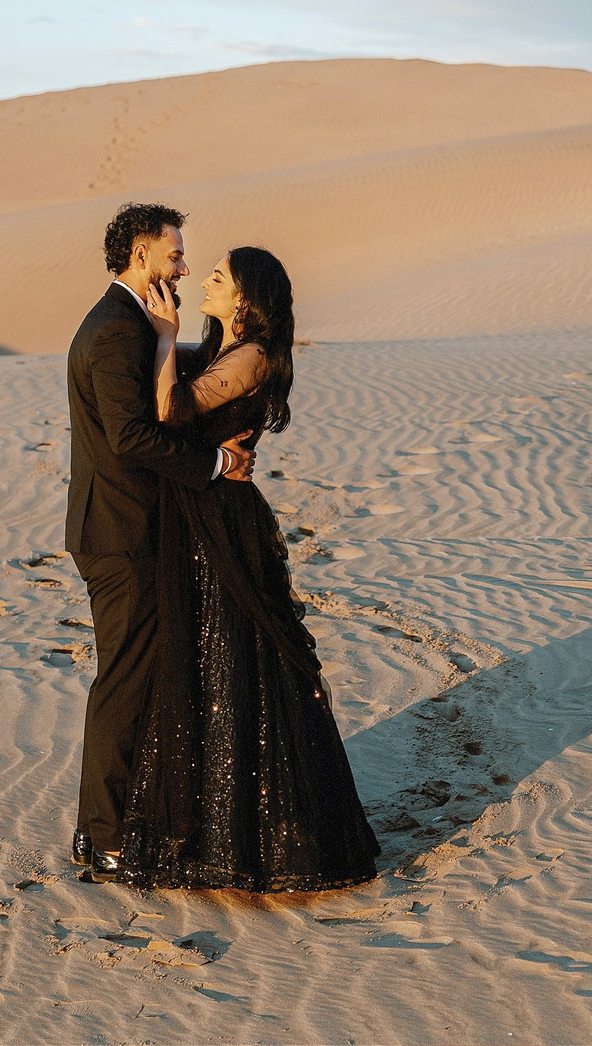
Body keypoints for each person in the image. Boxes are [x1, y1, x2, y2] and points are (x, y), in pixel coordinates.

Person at [115, 245, 381, 892]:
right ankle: (215, 822)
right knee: (206, 657)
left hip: (223, 525)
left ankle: (250, 835)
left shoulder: (252, 356)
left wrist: (165, 336)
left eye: (217, 276)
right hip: (201, 512)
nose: (202, 280)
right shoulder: (223, 351)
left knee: (234, 657)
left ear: (245, 297)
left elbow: (170, 412)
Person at [63, 202, 250, 881]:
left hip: (120, 528)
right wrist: (216, 465)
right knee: (124, 684)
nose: (184, 264)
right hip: (119, 533)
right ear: (140, 256)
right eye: (174, 255)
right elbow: (132, 436)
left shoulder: (133, 323)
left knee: (127, 679)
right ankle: (106, 838)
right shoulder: (116, 331)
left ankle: (97, 833)